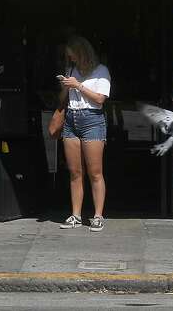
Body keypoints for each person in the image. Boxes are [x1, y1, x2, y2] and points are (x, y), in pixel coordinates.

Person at [57, 34, 111, 232]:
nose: (70, 59)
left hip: (92, 119)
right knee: (74, 171)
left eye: (72, 55)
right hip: (72, 117)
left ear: (81, 53)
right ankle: (76, 215)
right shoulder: (71, 70)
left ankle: (98, 215)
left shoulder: (101, 71)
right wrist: (65, 87)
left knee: (95, 172)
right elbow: (62, 98)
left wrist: (78, 86)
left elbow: (100, 99)